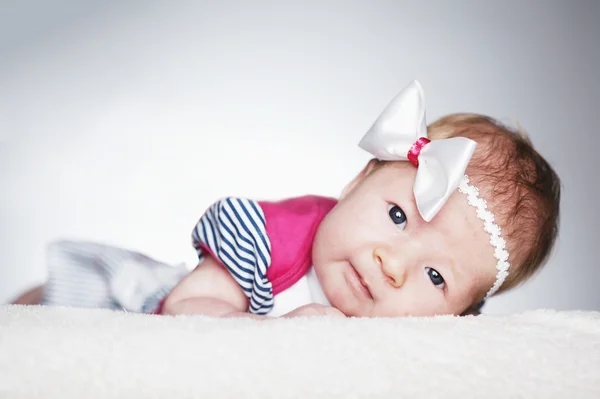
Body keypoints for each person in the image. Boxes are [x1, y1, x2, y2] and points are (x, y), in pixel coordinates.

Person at [12, 81, 561, 319]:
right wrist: (274, 334)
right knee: (45, 303)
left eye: (436, 277)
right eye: (397, 215)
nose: (393, 265)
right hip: (145, 301)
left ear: (461, 314)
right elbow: (187, 308)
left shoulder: (405, 334)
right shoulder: (279, 235)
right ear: (356, 183)